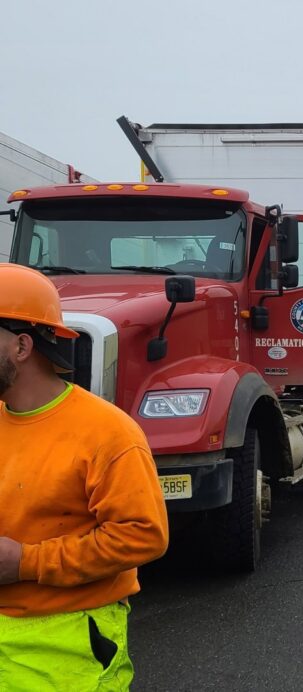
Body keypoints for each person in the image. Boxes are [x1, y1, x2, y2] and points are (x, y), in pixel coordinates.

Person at [0, 263, 169, 689]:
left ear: (21, 346)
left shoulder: (107, 434)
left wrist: (25, 562)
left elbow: (143, 535)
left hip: (68, 643)